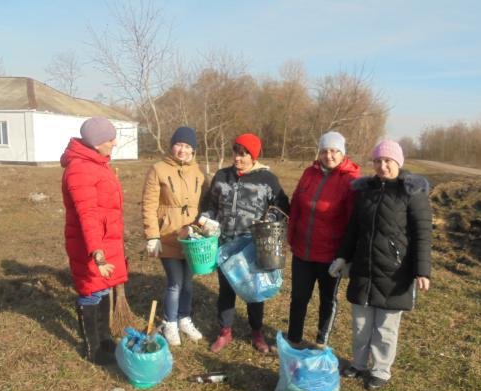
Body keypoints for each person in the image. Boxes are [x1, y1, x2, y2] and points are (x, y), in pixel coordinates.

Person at [330, 139, 432, 390]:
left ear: (398, 162)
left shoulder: (411, 193)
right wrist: (343, 257)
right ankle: (359, 363)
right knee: (361, 324)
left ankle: (381, 370)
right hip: (364, 268)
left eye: (388, 161)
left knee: (385, 327)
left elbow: (422, 234)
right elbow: (353, 229)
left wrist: (422, 270)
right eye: (378, 161)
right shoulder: (365, 191)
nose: (382, 166)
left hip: (395, 272)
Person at [199, 133, 289, 354]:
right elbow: (211, 205)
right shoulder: (222, 176)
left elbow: (283, 209)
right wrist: (205, 218)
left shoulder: (267, 180)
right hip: (225, 243)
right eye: (235, 153)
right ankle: (225, 332)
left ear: (253, 156)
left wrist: (267, 223)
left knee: (253, 291)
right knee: (226, 290)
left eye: (243, 154)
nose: (238, 158)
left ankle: (257, 332)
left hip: (252, 246)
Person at [61, 117, 127, 365]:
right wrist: (97, 254)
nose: (114, 142)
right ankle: (93, 348)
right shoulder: (80, 169)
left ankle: (106, 338)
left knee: (103, 288)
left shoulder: (97, 163)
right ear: (96, 142)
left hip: (105, 239)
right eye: (110, 139)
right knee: (91, 291)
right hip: (91, 244)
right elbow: (87, 215)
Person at [286, 131, 360, 346]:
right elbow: (297, 204)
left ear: (342, 153)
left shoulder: (351, 180)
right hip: (303, 250)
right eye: (325, 151)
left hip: (330, 254)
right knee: (298, 297)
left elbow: (352, 221)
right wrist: (291, 236)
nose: (329, 155)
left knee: (327, 299)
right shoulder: (309, 172)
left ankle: (321, 341)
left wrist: (346, 256)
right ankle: (294, 338)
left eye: (335, 151)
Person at [142, 126, 207, 346]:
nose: (183, 150)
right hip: (168, 235)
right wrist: (152, 236)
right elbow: (149, 205)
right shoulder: (158, 169)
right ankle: (170, 322)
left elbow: (209, 200)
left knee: (188, 283)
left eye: (188, 146)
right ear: (172, 146)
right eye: (179, 144)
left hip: (191, 238)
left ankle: (184, 318)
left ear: (194, 150)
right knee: (175, 283)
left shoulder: (198, 172)